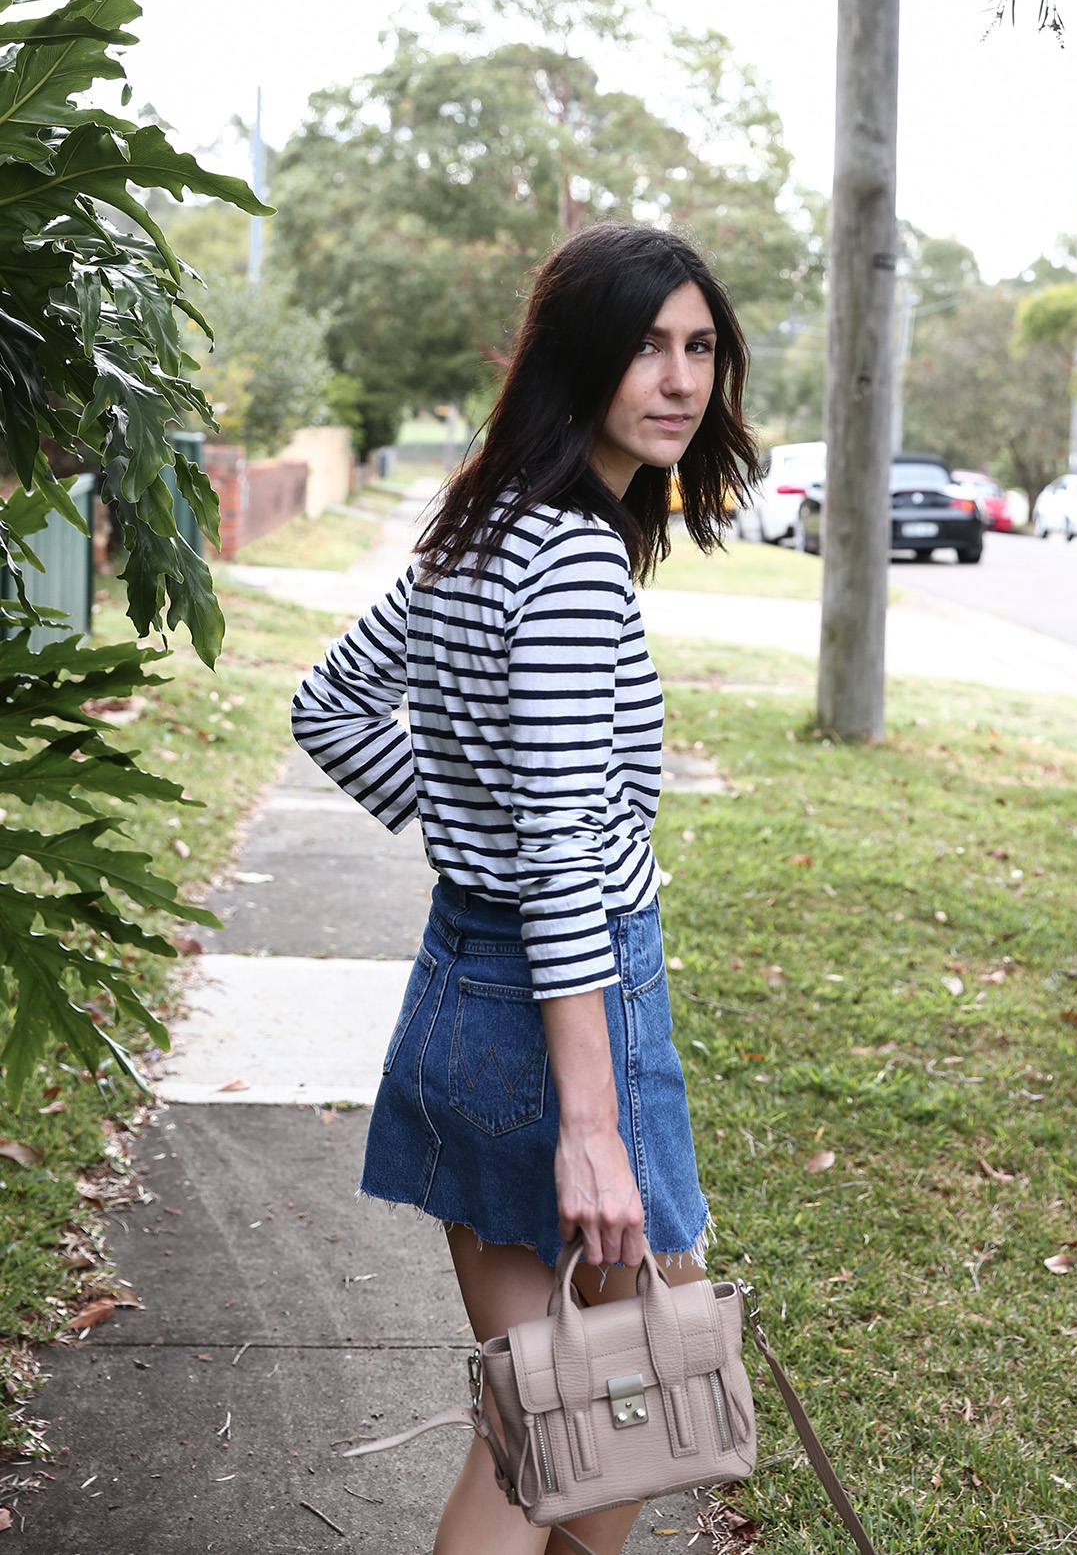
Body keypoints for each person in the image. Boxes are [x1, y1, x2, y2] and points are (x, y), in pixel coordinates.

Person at [290, 223, 759, 1555]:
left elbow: (328, 705)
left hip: (461, 992)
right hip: (569, 1017)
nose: (678, 381)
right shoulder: (568, 561)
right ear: (579, 362)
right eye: (646, 348)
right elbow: (561, 853)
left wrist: (463, 823)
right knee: (582, 1433)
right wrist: (595, 1125)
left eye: (700, 348)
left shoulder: (483, 527)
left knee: (575, 1422)